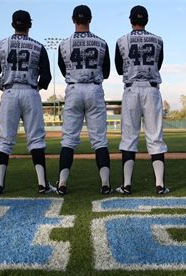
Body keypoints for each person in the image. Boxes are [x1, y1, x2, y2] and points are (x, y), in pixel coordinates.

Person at [0, 10, 55, 194]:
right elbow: (47, 77)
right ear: (30, 25)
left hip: (9, 92)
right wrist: (35, 88)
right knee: (36, 139)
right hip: (30, 92)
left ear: (12, 25)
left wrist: (6, 88)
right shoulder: (38, 47)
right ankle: (42, 184)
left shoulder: (1, 45)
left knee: (5, 140)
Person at [114, 5, 170, 195]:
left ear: (130, 20)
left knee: (129, 138)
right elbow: (158, 63)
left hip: (131, 90)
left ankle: (127, 185)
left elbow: (119, 69)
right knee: (155, 137)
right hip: (151, 89)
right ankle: (160, 184)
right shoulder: (158, 40)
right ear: (147, 20)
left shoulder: (122, 40)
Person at [56, 5, 111, 195]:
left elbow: (63, 68)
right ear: (90, 19)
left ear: (73, 19)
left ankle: (62, 183)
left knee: (69, 140)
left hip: (73, 88)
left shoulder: (64, 44)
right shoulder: (102, 43)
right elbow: (107, 72)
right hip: (94, 89)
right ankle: (105, 184)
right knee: (99, 140)